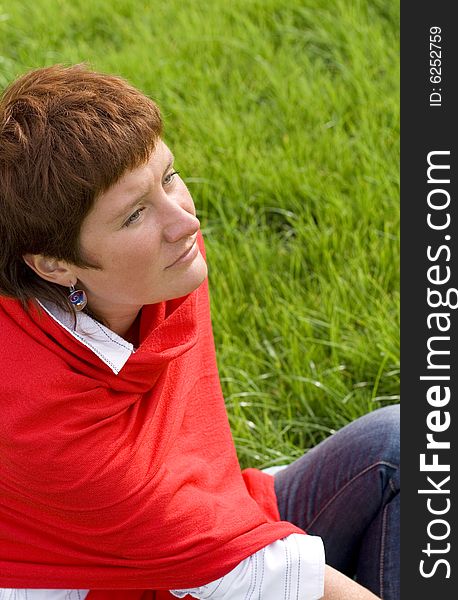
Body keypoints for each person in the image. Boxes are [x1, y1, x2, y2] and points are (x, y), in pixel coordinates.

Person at [0, 64, 399, 600]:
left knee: (406, 442)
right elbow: (248, 574)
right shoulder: (44, 426)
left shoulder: (163, 271)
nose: (185, 221)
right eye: (134, 215)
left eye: (167, 177)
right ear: (52, 264)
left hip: (211, 518)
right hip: (126, 581)